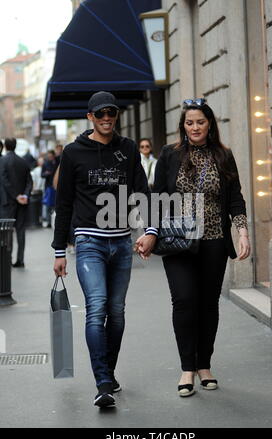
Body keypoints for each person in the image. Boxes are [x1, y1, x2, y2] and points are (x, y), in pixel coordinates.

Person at [135, 99, 250, 397]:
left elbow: (235, 197)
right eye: (189, 123)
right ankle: (187, 367)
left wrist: (242, 232)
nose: (195, 127)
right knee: (184, 301)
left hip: (213, 240)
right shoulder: (170, 155)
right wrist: (150, 232)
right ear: (183, 126)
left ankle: (204, 365)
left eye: (200, 122)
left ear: (209, 123)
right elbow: (156, 196)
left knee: (208, 304)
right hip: (178, 241)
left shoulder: (223, 156)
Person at [52, 91, 153, 408]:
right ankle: (103, 382)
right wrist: (58, 250)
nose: (106, 118)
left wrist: (150, 230)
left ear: (116, 115)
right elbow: (64, 201)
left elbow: (141, 190)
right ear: (90, 117)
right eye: (100, 114)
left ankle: (107, 371)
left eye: (111, 113)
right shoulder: (73, 152)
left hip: (122, 241)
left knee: (117, 313)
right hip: (89, 242)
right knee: (96, 308)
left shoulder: (128, 149)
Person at [1, 138, 33, 267]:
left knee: (7, 232)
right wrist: (24, 195)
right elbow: (29, 181)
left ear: (5, 146)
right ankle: (20, 259)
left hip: (7, 203)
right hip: (21, 203)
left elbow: (4, 181)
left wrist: (16, 196)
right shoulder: (23, 161)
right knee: (20, 230)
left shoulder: (2, 161)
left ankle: (7, 259)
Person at [41, 150, 58, 228]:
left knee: (55, 205)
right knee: (48, 205)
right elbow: (42, 174)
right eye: (49, 156)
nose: (50, 158)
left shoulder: (57, 163)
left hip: (56, 187)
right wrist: (46, 174)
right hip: (48, 187)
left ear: (54, 156)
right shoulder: (46, 163)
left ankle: (55, 222)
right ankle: (48, 222)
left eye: (51, 156)